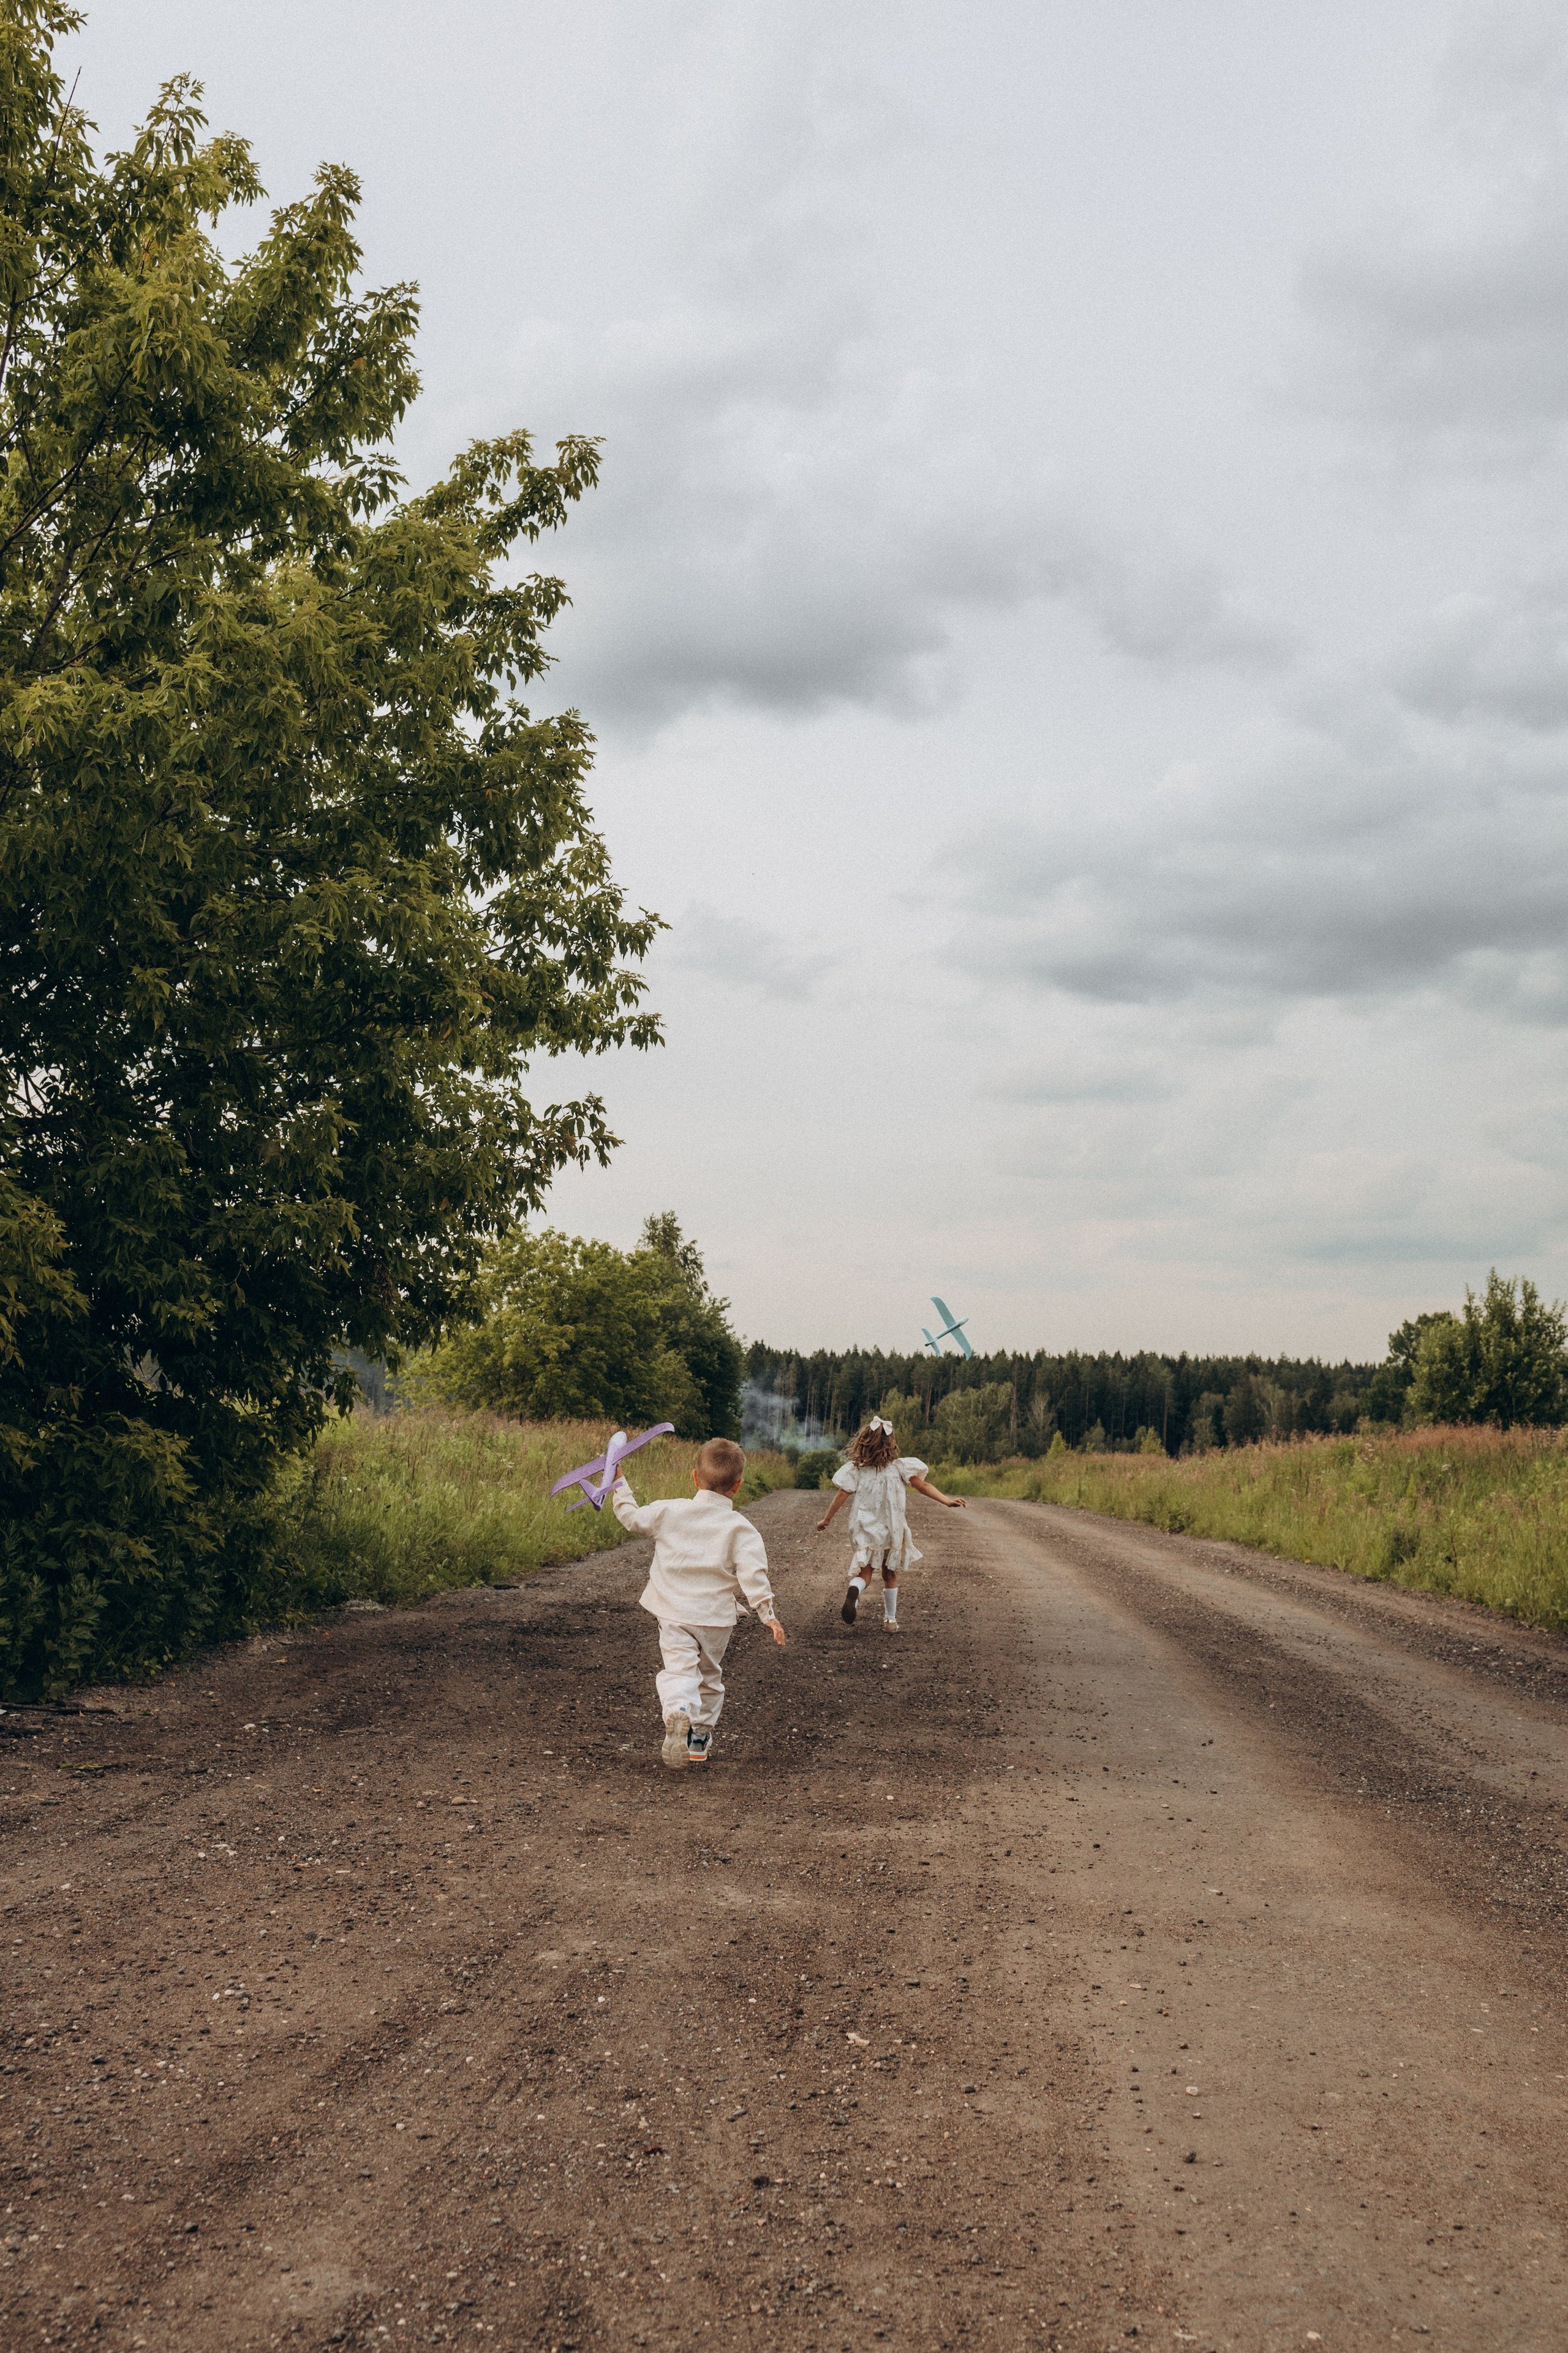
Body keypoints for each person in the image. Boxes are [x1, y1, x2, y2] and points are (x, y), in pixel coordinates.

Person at [612, 1436, 786, 1770]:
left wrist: (619, 1483)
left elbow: (632, 1519)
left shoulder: (669, 1511)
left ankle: (678, 1708)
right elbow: (754, 1574)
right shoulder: (741, 1528)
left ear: (695, 1477)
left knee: (680, 1669)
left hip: (673, 1612)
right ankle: (699, 1738)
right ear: (738, 1486)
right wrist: (768, 1614)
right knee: (709, 1677)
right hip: (715, 1620)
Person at [815, 1414, 967, 1632]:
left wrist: (827, 1519)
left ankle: (855, 1589)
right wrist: (947, 1501)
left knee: (865, 1574)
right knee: (890, 1574)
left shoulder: (856, 1469)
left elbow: (841, 1495)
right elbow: (924, 1486)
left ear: (864, 1443)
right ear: (891, 1444)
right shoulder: (900, 1468)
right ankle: (890, 1620)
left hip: (865, 1529)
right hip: (891, 1529)